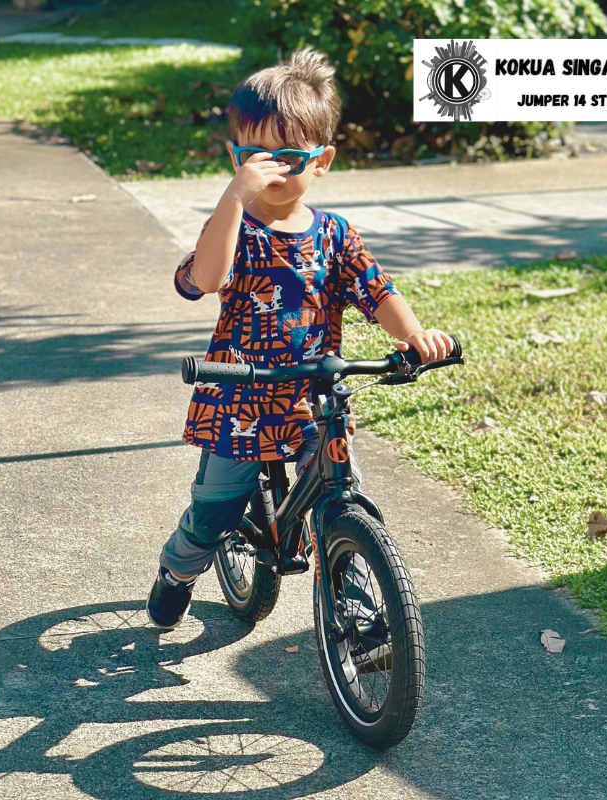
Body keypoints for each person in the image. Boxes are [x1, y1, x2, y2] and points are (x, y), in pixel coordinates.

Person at [147, 47, 453, 630]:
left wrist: (414, 336)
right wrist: (233, 199)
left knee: (344, 491)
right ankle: (178, 569)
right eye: (254, 157)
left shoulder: (335, 235)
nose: (272, 171)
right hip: (238, 398)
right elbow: (206, 279)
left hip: (314, 396)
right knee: (215, 512)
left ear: (323, 161)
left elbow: (377, 290)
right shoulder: (234, 228)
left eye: (288, 158)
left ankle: (358, 608)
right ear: (235, 157)